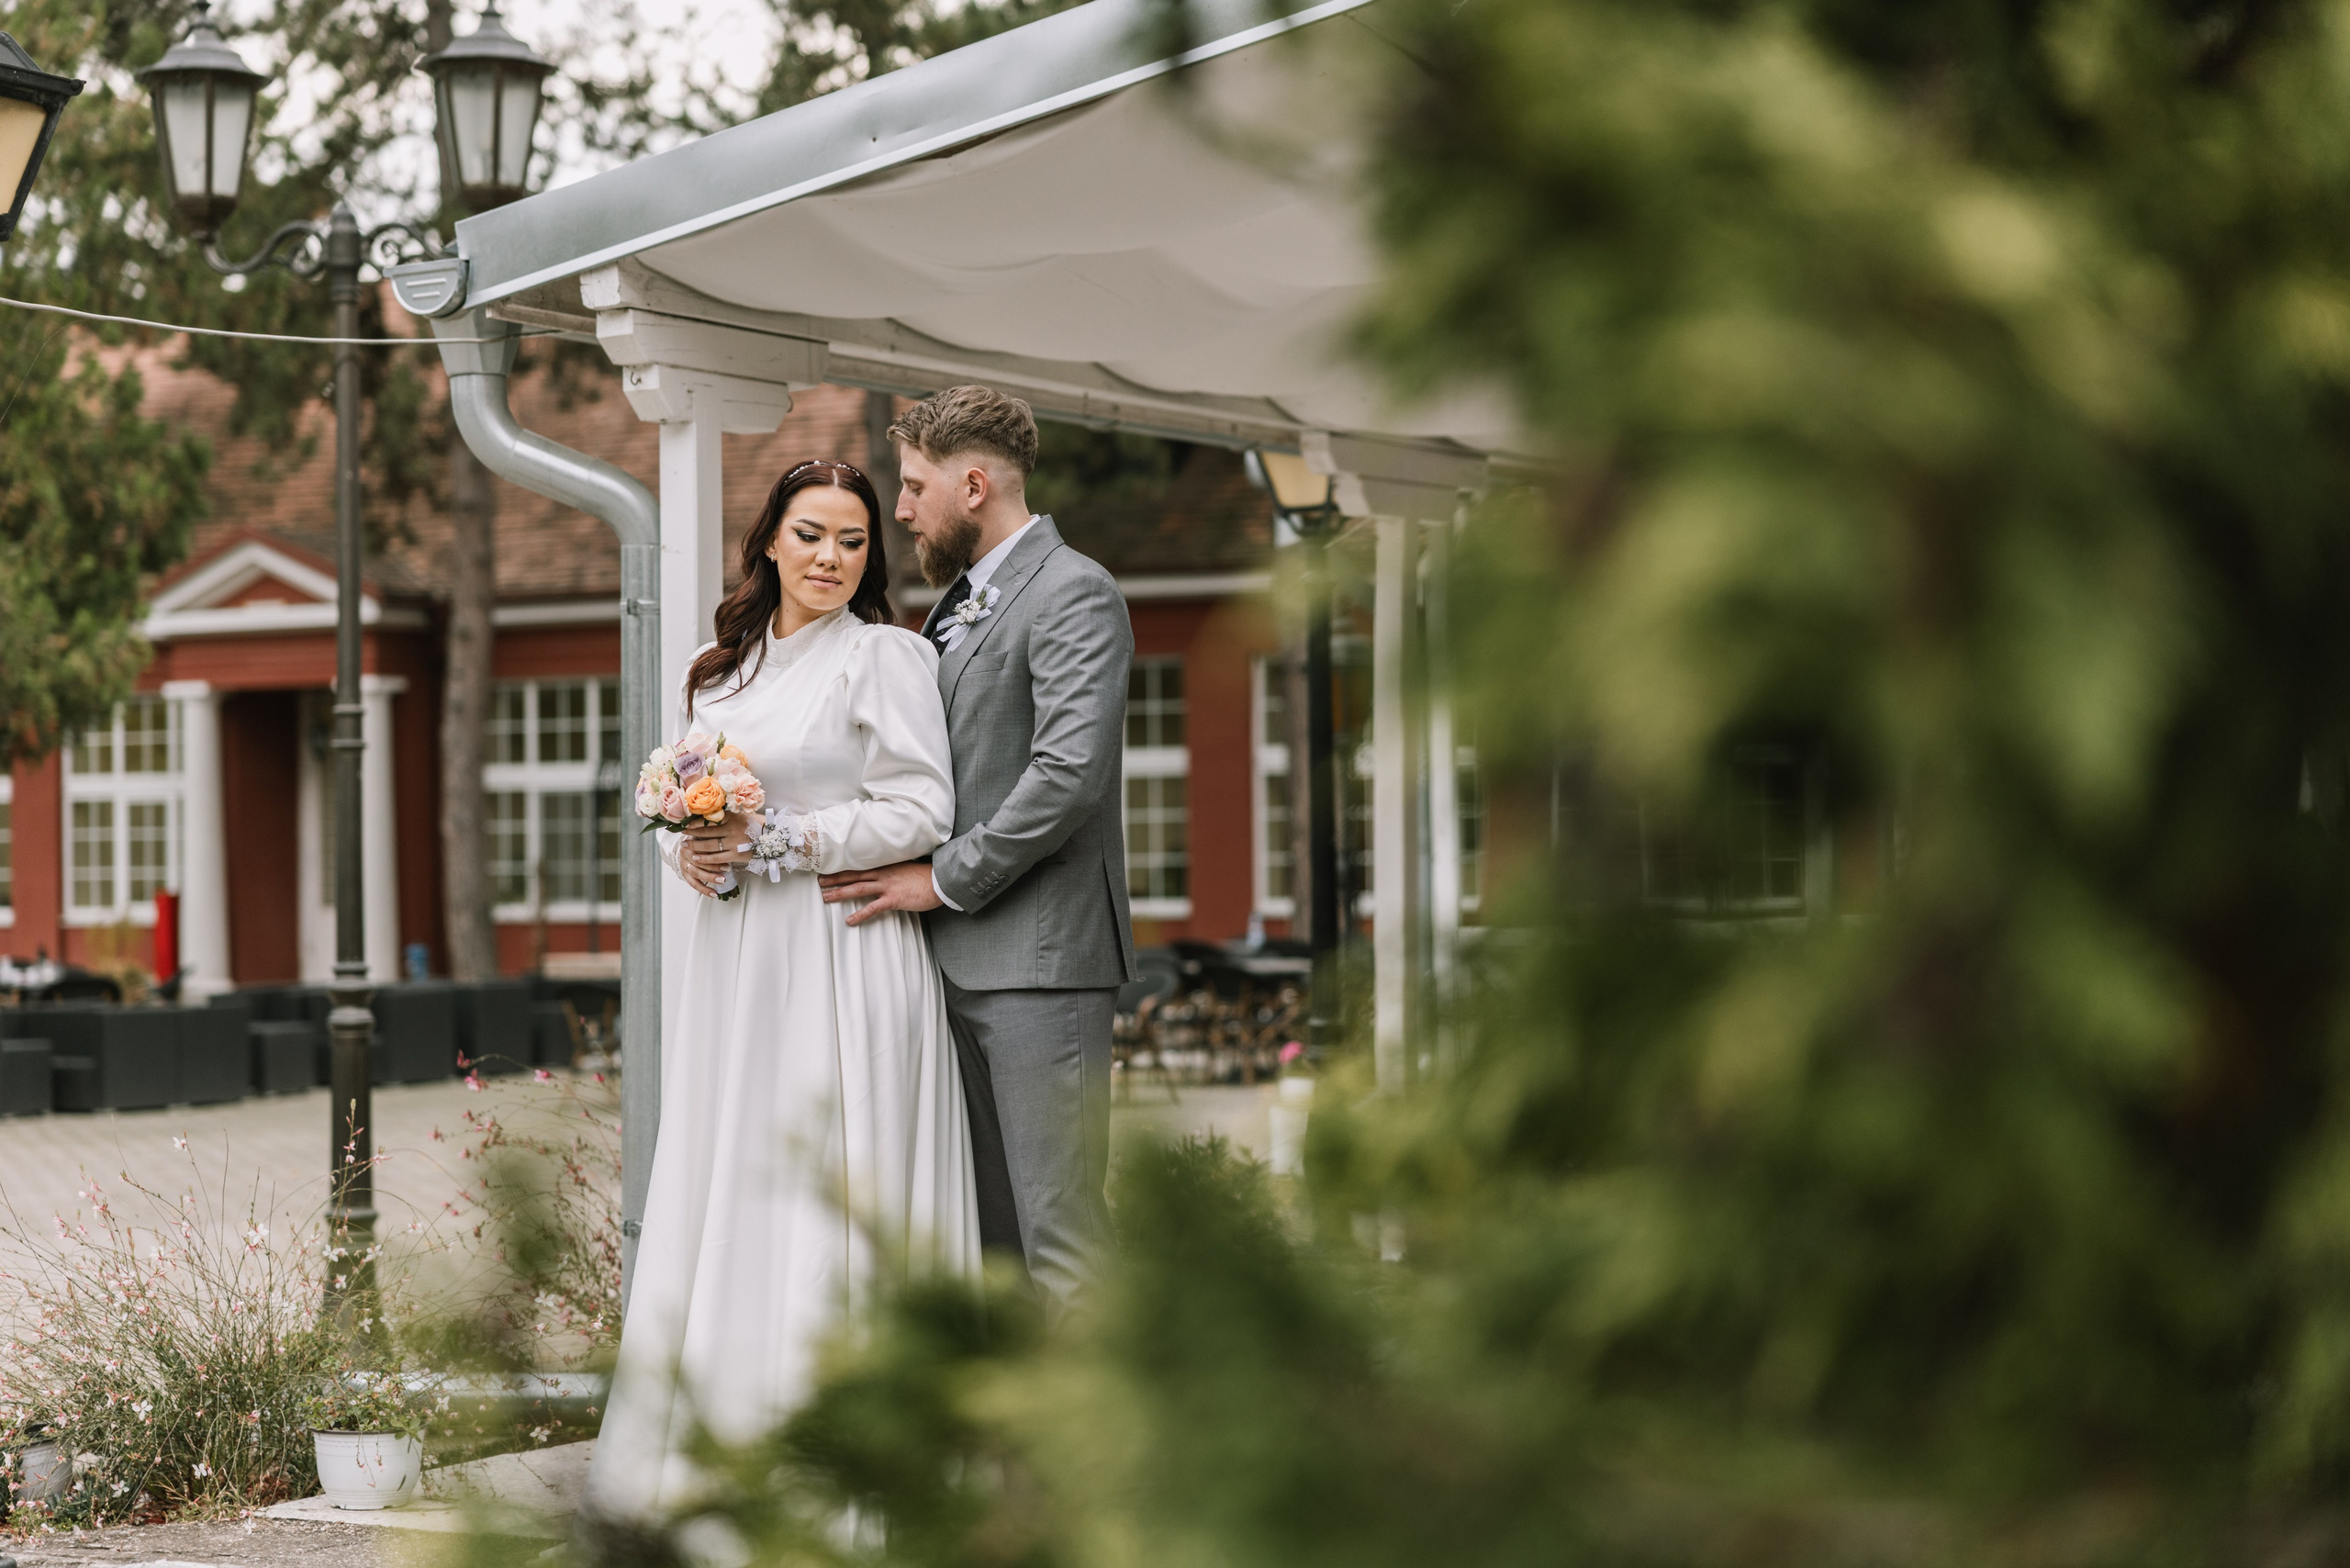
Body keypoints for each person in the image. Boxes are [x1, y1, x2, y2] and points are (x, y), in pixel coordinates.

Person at [584, 459, 979, 1521]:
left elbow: (922, 809)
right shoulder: (715, 671)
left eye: (853, 540)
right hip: (738, 963)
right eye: (810, 534)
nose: (829, 558)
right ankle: (716, 1453)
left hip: (842, 947)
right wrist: (694, 851)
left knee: (829, 1184)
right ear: (769, 538)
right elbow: (689, 808)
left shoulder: (885, 656)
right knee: (736, 1176)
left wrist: (787, 840)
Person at [812, 386, 1137, 1317]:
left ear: (974, 485)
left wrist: (942, 879)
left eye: (916, 487)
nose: (901, 509)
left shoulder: (1074, 590)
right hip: (953, 966)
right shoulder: (955, 606)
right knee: (992, 1240)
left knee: (1061, 1234)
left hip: (1042, 965)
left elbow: (1068, 775)